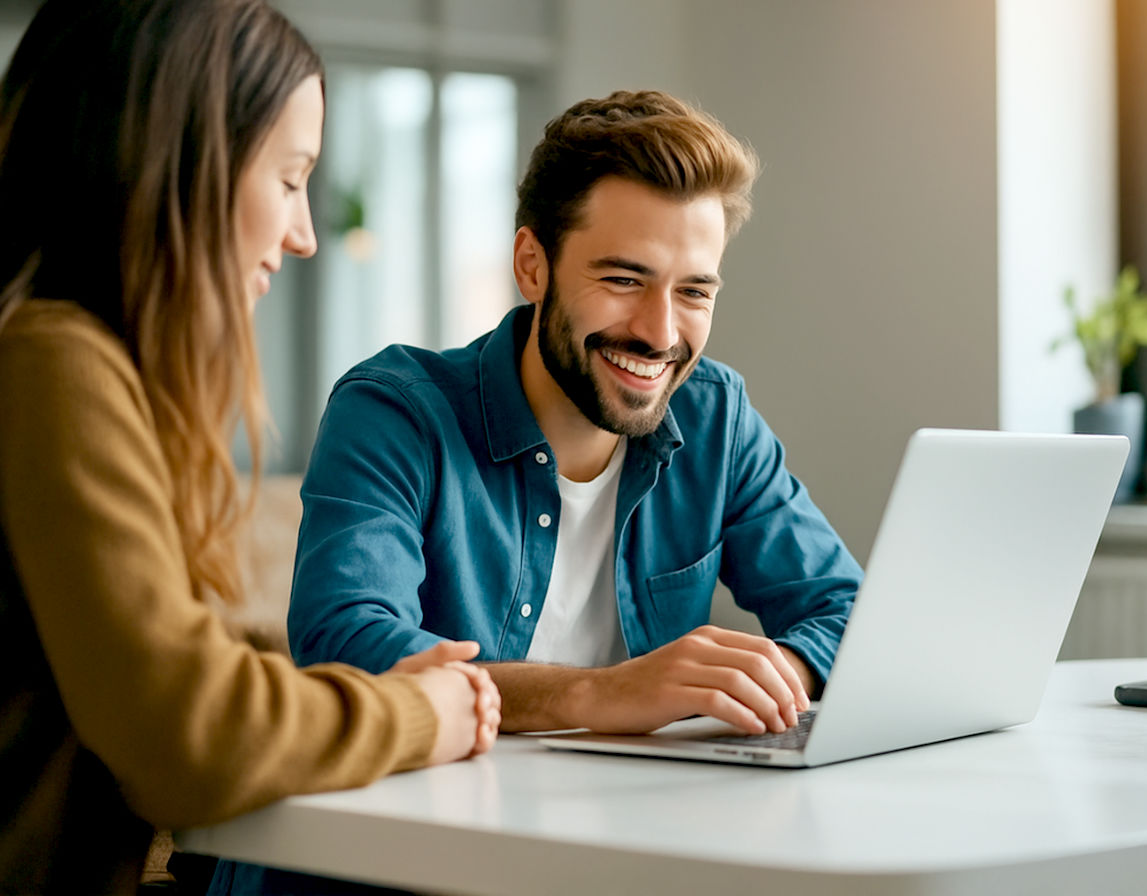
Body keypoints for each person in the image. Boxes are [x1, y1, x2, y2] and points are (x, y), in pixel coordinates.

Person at [0, 1, 500, 893]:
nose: (303, 234)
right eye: (289, 177)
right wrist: (417, 714)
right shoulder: (51, 362)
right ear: (184, 160)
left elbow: (163, 675)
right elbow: (184, 735)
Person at [290, 89, 862, 732]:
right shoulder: (395, 413)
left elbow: (851, 614)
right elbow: (344, 642)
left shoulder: (715, 418)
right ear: (532, 267)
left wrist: (762, 680)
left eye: (694, 292)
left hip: (659, 795)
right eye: (624, 280)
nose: (660, 334)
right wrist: (596, 695)